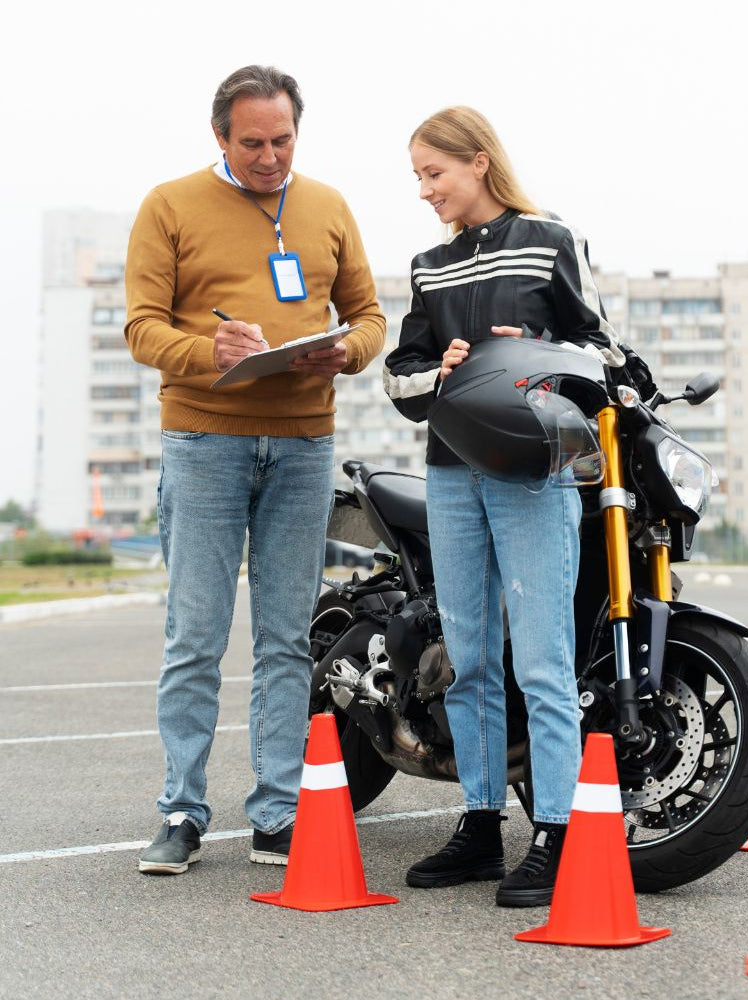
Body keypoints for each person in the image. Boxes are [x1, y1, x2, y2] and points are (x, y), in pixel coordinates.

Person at [125, 65, 385, 875]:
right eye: (253, 143)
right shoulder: (169, 205)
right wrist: (210, 352)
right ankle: (181, 810)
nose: (270, 157)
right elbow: (140, 328)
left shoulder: (329, 206)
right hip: (205, 442)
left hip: (304, 445)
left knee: (285, 641)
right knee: (194, 637)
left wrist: (349, 350)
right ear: (220, 137)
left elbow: (371, 316)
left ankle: (277, 812)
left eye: (283, 140)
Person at [383, 106, 624, 907]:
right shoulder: (428, 266)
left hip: (532, 473)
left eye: (434, 173)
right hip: (451, 471)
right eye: (418, 177)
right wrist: (441, 367)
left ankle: (555, 832)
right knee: (473, 658)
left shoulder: (551, 240)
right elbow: (400, 378)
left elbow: (602, 351)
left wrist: (535, 354)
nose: (424, 190)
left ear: (478, 162)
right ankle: (480, 826)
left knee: (544, 661)